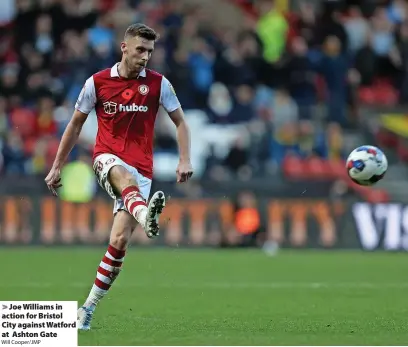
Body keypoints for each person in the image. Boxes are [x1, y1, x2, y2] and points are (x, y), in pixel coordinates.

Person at [44, 23, 193, 330]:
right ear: (124, 48)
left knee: (119, 240)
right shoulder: (96, 83)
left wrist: (184, 159)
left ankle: (87, 308)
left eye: (150, 51)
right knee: (123, 177)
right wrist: (57, 165)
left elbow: (180, 122)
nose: (145, 57)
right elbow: (74, 125)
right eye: (140, 49)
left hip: (143, 170)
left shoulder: (158, 84)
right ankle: (144, 214)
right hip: (107, 159)